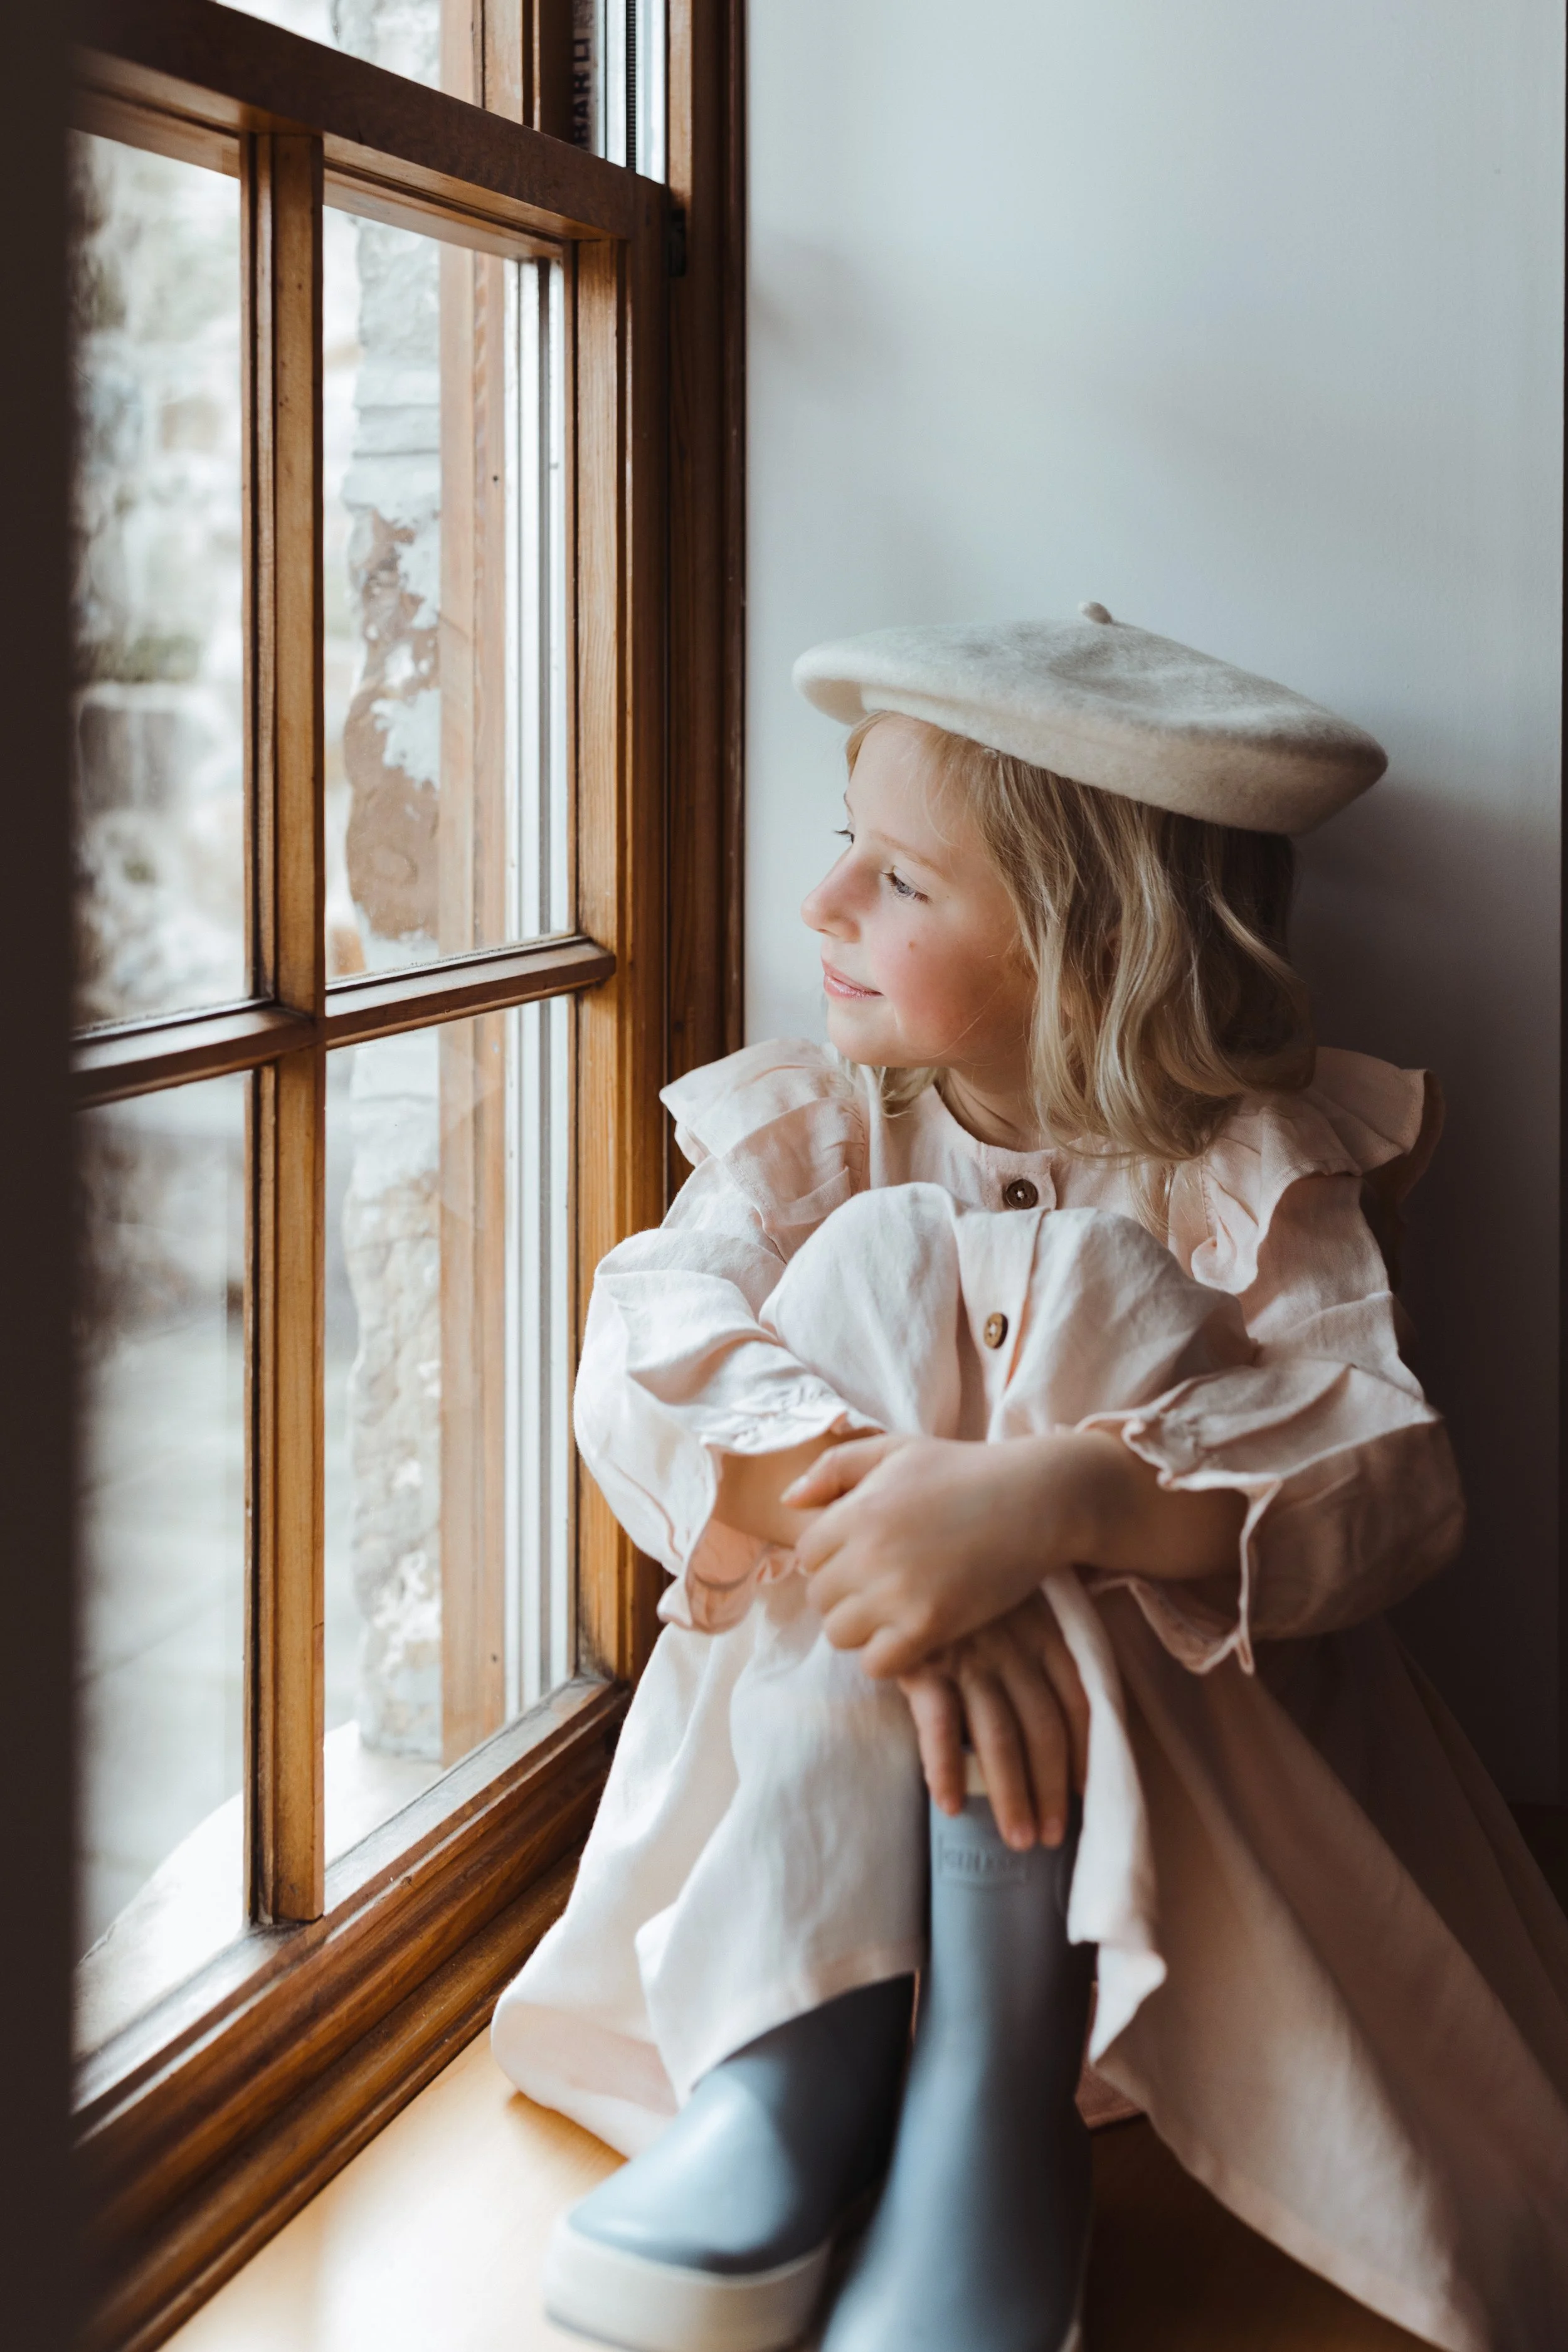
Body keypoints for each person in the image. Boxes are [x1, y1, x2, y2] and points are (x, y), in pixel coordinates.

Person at [491, 608, 1568, 2352]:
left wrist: (1049, 1506)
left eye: (900, 877)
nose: (821, 902)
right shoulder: (816, 1134)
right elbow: (641, 1342)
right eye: (844, 843)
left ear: (1094, 943)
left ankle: (1000, 2086)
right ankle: (802, 2052)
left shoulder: (1243, 1167)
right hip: (807, 1842)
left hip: (1161, 1872)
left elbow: (1376, 1460)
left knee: (1082, 1300)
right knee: (878, 1267)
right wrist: (889, 1503)